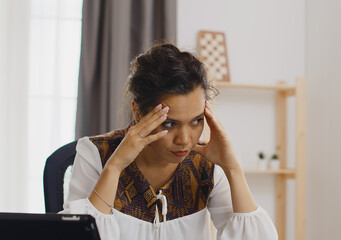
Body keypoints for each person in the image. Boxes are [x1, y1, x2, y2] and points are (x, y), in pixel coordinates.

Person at [61, 43, 278, 240]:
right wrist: (115, 166)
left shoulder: (207, 166)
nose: (185, 140)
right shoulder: (96, 154)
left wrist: (233, 169)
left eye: (196, 121)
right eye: (170, 123)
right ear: (138, 112)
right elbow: (75, 236)